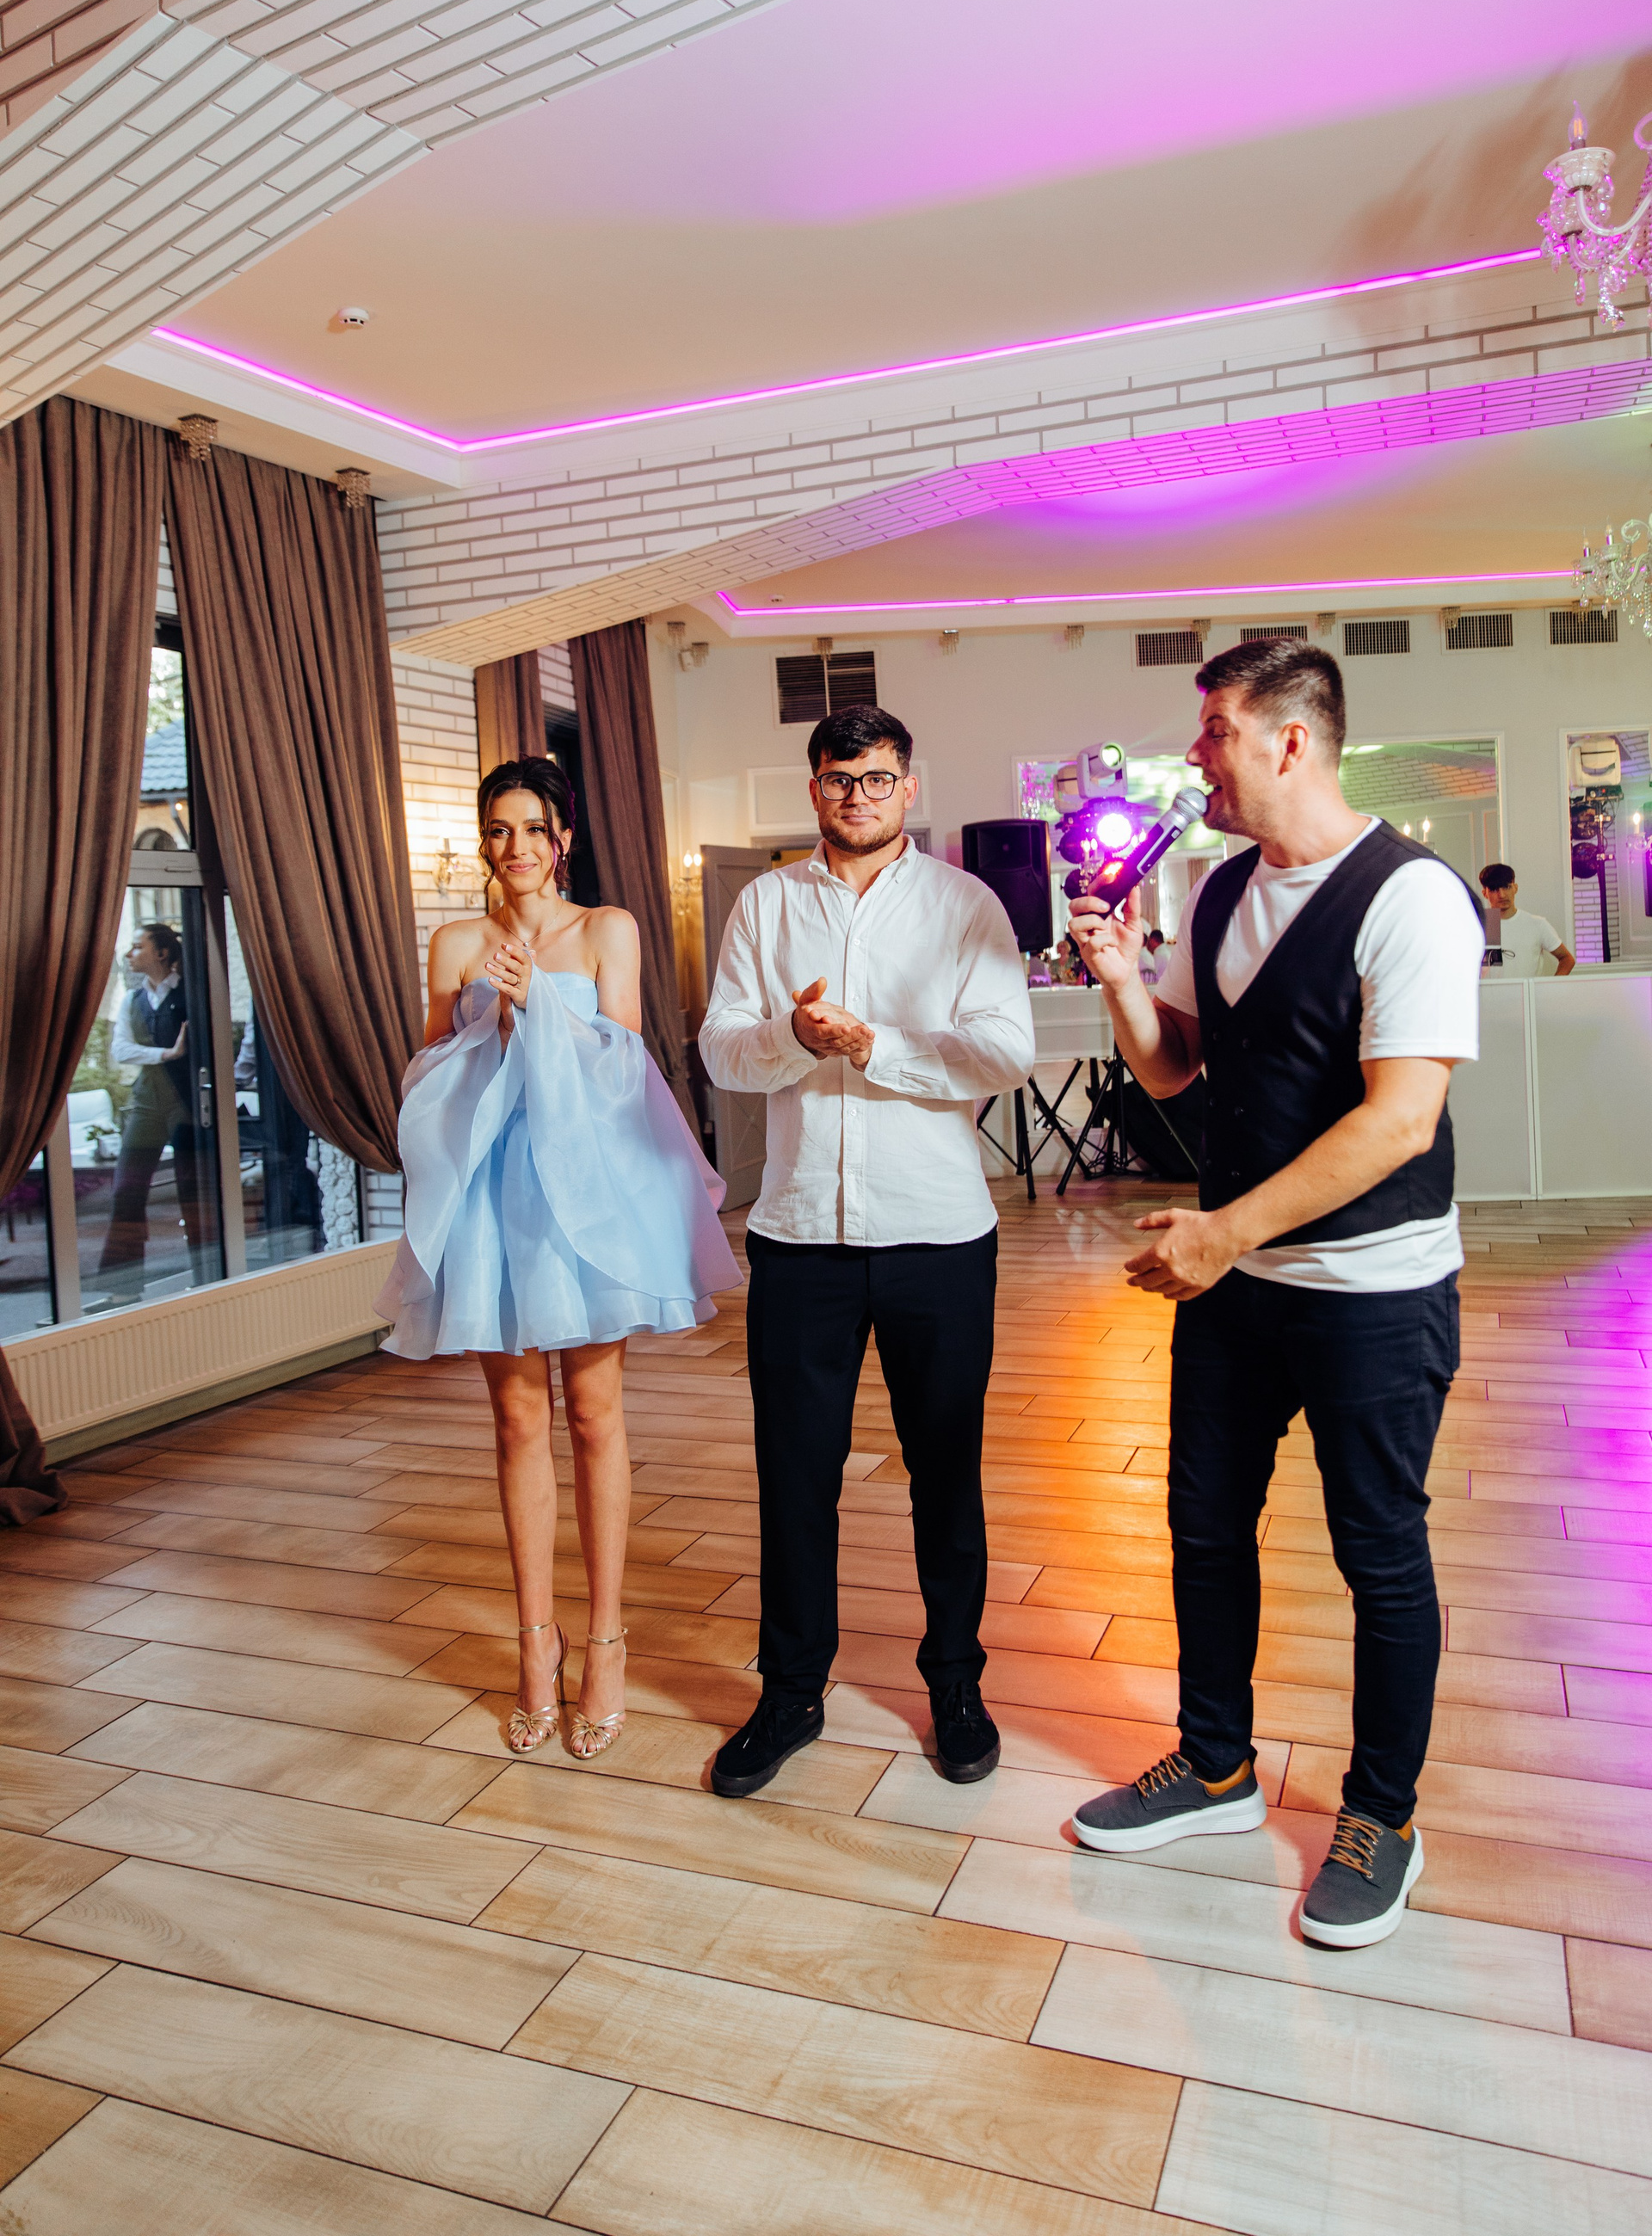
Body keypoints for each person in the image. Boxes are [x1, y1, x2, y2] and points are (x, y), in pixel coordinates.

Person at [1064, 640, 1482, 1949]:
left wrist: (1222, 1232)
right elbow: (1177, 1068)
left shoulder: (1413, 898)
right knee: (1202, 1527)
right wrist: (1122, 982)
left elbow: (1402, 1121)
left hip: (1374, 1289)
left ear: (1289, 740)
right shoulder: (1218, 889)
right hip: (1239, 1286)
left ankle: (1383, 1815)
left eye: (1213, 732)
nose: (1194, 757)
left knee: (1380, 1554)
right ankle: (1216, 1766)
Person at [699, 705, 1035, 1798]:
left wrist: (873, 1045)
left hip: (938, 1231)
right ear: (815, 789)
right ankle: (791, 1691)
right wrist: (791, 1039)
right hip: (800, 1234)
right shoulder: (765, 904)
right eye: (841, 779)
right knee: (795, 1477)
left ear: (908, 786)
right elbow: (721, 1051)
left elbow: (1005, 1052)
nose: (859, 796)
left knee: (946, 1472)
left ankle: (956, 1684)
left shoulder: (965, 904)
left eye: (878, 778)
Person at [375, 755, 738, 1760]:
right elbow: (425, 1075)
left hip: (583, 1194)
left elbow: (628, 1069)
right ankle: (536, 1644)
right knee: (515, 1419)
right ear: (484, 841)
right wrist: (488, 1022)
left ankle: (606, 1642)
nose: (517, 848)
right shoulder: (455, 942)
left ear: (563, 837)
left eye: (535, 828)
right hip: (492, 1199)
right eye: (499, 830)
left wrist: (542, 1002)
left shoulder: (608, 928)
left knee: (593, 1413)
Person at [98, 921, 209, 1305]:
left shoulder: (193, 994)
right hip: (146, 1101)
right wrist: (167, 1053)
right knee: (126, 1190)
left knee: (193, 1193)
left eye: (137, 947)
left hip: (186, 1103)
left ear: (161, 953)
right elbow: (121, 1050)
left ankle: (208, 1280)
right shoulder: (132, 999)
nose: (129, 954)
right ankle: (122, 1288)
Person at [1478, 863, 1575, 976]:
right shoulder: (1479, 926)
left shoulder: (1537, 924)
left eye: (1507, 887)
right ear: (1485, 893)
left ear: (1515, 888)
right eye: (1494, 890)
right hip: (1489, 987)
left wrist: (1552, 984)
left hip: (1528, 987)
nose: (1502, 895)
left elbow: (1567, 959)